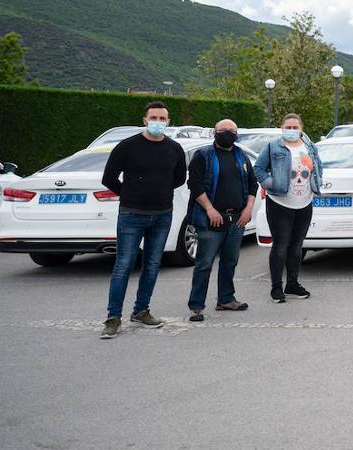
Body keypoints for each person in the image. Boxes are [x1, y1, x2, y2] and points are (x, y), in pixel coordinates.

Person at [98, 101, 187, 339]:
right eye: (154, 118)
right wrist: (129, 194)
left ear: (168, 122)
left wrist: (158, 192)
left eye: (163, 118)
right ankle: (113, 317)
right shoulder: (128, 146)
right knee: (124, 265)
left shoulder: (174, 148)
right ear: (145, 120)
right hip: (131, 214)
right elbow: (108, 178)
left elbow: (179, 178)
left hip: (162, 214)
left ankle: (141, 310)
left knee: (152, 265)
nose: (158, 122)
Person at [186, 119, 256, 322]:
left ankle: (226, 299)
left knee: (230, 261)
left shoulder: (240, 155)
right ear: (214, 133)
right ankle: (196, 306)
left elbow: (252, 184)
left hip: (237, 218)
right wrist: (210, 209)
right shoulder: (203, 156)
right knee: (204, 263)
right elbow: (195, 185)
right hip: (211, 219)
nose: (228, 133)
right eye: (223, 130)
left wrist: (248, 209)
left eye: (232, 130)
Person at [253, 113, 322, 303]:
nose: (291, 131)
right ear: (282, 127)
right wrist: (271, 183)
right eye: (288, 127)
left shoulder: (309, 146)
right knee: (281, 245)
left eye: (295, 127)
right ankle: (276, 288)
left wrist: (317, 183)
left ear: (301, 128)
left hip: (304, 203)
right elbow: (258, 169)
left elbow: (318, 166)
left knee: (297, 246)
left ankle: (292, 284)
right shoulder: (272, 146)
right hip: (280, 203)